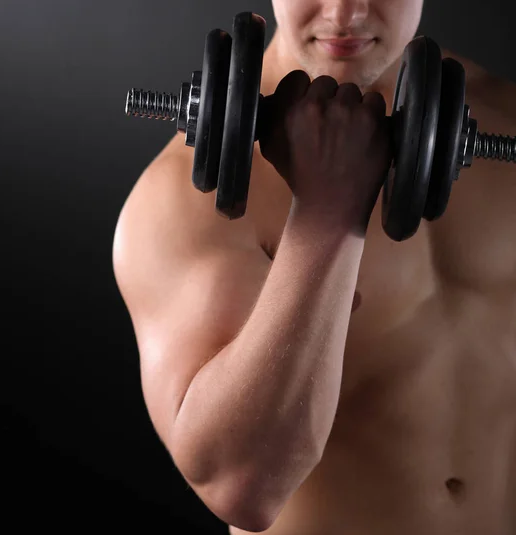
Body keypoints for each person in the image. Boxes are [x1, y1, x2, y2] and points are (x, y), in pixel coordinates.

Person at [113, 0, 516, 533]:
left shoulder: (505, 117)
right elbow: (242, 486)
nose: (344, 13)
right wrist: (328, 213)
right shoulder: (181, 205)